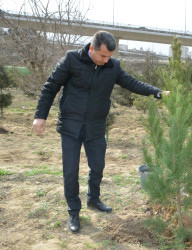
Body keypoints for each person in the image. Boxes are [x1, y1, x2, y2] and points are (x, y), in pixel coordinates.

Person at [32, 31, 169, 233]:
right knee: (71, 172)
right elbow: (50, 86)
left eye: (109, 56)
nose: (106, 60)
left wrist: (157, 92)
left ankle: (93, 199)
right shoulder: (71, 59)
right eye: (103, 56)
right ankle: (73, 210)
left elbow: (132, 83)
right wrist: (40, 115)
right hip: (71, 124)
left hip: (96, 126)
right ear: (91, 49)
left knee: (98, 166)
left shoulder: (113, 66)